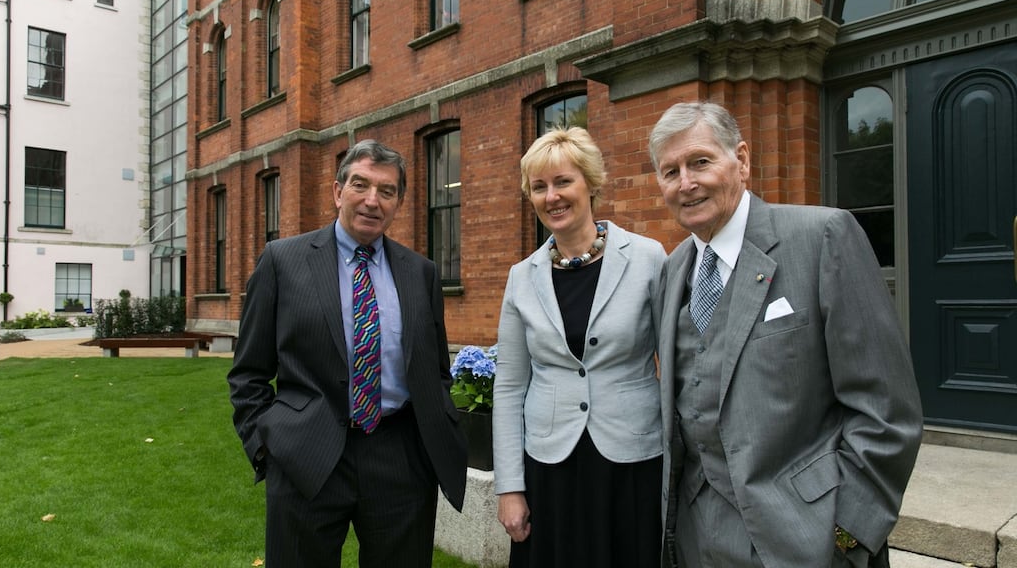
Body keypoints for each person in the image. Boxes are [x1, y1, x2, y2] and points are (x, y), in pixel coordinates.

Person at [650, 101, 923, 568]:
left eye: (700, 162)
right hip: (698, 539)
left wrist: (846, 534)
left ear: (742, 160)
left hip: (806, 540)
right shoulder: (672, 271)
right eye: (670, 171)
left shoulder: (823, 238)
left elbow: (886, 410)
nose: (687, 183)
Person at [227, 139, 467, 567]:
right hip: (308, 454)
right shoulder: (283, 261)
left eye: (387, 191)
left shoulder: (421, 273)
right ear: (338, 191)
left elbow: (436, 370)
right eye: (361, 184)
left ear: (399, 202)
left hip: (399, 458)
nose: (372, 200)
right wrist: (267, 447)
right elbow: (248, 372)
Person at [493, 127, 666, 567]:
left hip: (630, 462)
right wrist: (510, 487)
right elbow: (510, 387)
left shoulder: (648, 259)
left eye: (563, 181)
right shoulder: (521, 277)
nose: (552, 196)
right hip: (551, 466)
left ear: (590, 183)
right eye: (539, 187)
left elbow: (678, 362)